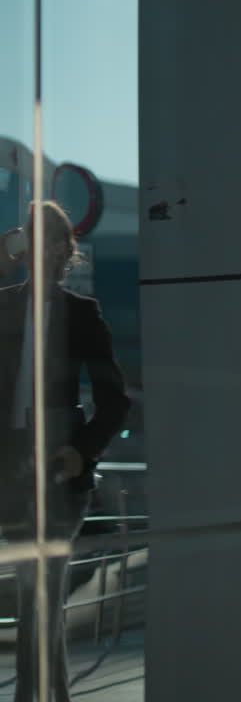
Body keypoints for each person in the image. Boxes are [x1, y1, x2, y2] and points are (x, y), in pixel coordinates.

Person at [0, 201, 130, 702]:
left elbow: (115, 400)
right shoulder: (4, 303)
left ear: (60, 248)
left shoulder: (82, 313)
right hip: (9, 467)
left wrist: (82, 452)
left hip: (60, 467)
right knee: (40, 597)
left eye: (43, 236)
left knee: (42, 592)